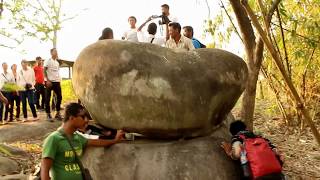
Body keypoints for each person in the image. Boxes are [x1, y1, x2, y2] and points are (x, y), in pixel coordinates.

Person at [40, 103, 124, 180]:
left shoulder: (78, 138)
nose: (86, 120)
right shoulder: (54, 139)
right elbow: (45, 169)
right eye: (83, 116)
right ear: (71, 117)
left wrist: (115, 140)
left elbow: (97, 142)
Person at [44, 48, 62, 121]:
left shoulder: (57, 62)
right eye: (55, 51)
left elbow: (57, 73)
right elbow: (44, 70)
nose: (56, 52)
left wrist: (59, 81)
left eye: (57, 51)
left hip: (57, 82)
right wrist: (47, 80)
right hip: (49, 82)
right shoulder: (48, 61)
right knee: (47, 98)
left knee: (59, 97)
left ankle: (57, 113)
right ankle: (48, 114)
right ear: (51, 53)